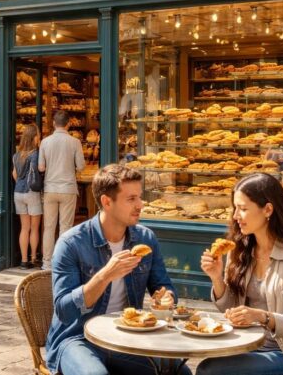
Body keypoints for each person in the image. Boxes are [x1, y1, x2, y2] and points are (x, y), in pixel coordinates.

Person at [44, 164, 189, 375]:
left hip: (126, 336)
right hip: (77, 338)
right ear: (106, 202)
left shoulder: (145, 238)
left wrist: (166, 298)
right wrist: (104, 276)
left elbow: (163, 286)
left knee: (179, 371)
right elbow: (64, 310)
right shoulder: (71, 243)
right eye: (131, 199)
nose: (140, 204)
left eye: (140, 197)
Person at [197, 173, 283, 375]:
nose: (235, 216)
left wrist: (263, 317)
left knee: (210, 370)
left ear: (268, 209)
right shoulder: (240, 249)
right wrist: (216, 277)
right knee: (203, 361)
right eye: (235, 208)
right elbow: (232, 310)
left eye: (243, 209)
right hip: (248, 345)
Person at [38, 110, 85, 270]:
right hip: (68, 188)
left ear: (53, 124)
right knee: (65, 228)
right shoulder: (75, 142)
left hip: (50, 187)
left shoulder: (45, 142)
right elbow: (81, 166)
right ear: (69, 124)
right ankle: (62, 262)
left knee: (49, 228)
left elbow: (41, 167)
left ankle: (47, 263)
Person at [13, 124, 42, 269]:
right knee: (34, 228)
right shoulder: (35, 154)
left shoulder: (17, 155)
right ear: (34, 137)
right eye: (38, 135)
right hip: (32, 193)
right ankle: (33, 258)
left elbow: (15, 175)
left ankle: (23, 261)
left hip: (18, 193)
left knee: (25, 228)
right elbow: (39, 171)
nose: (39, 138)